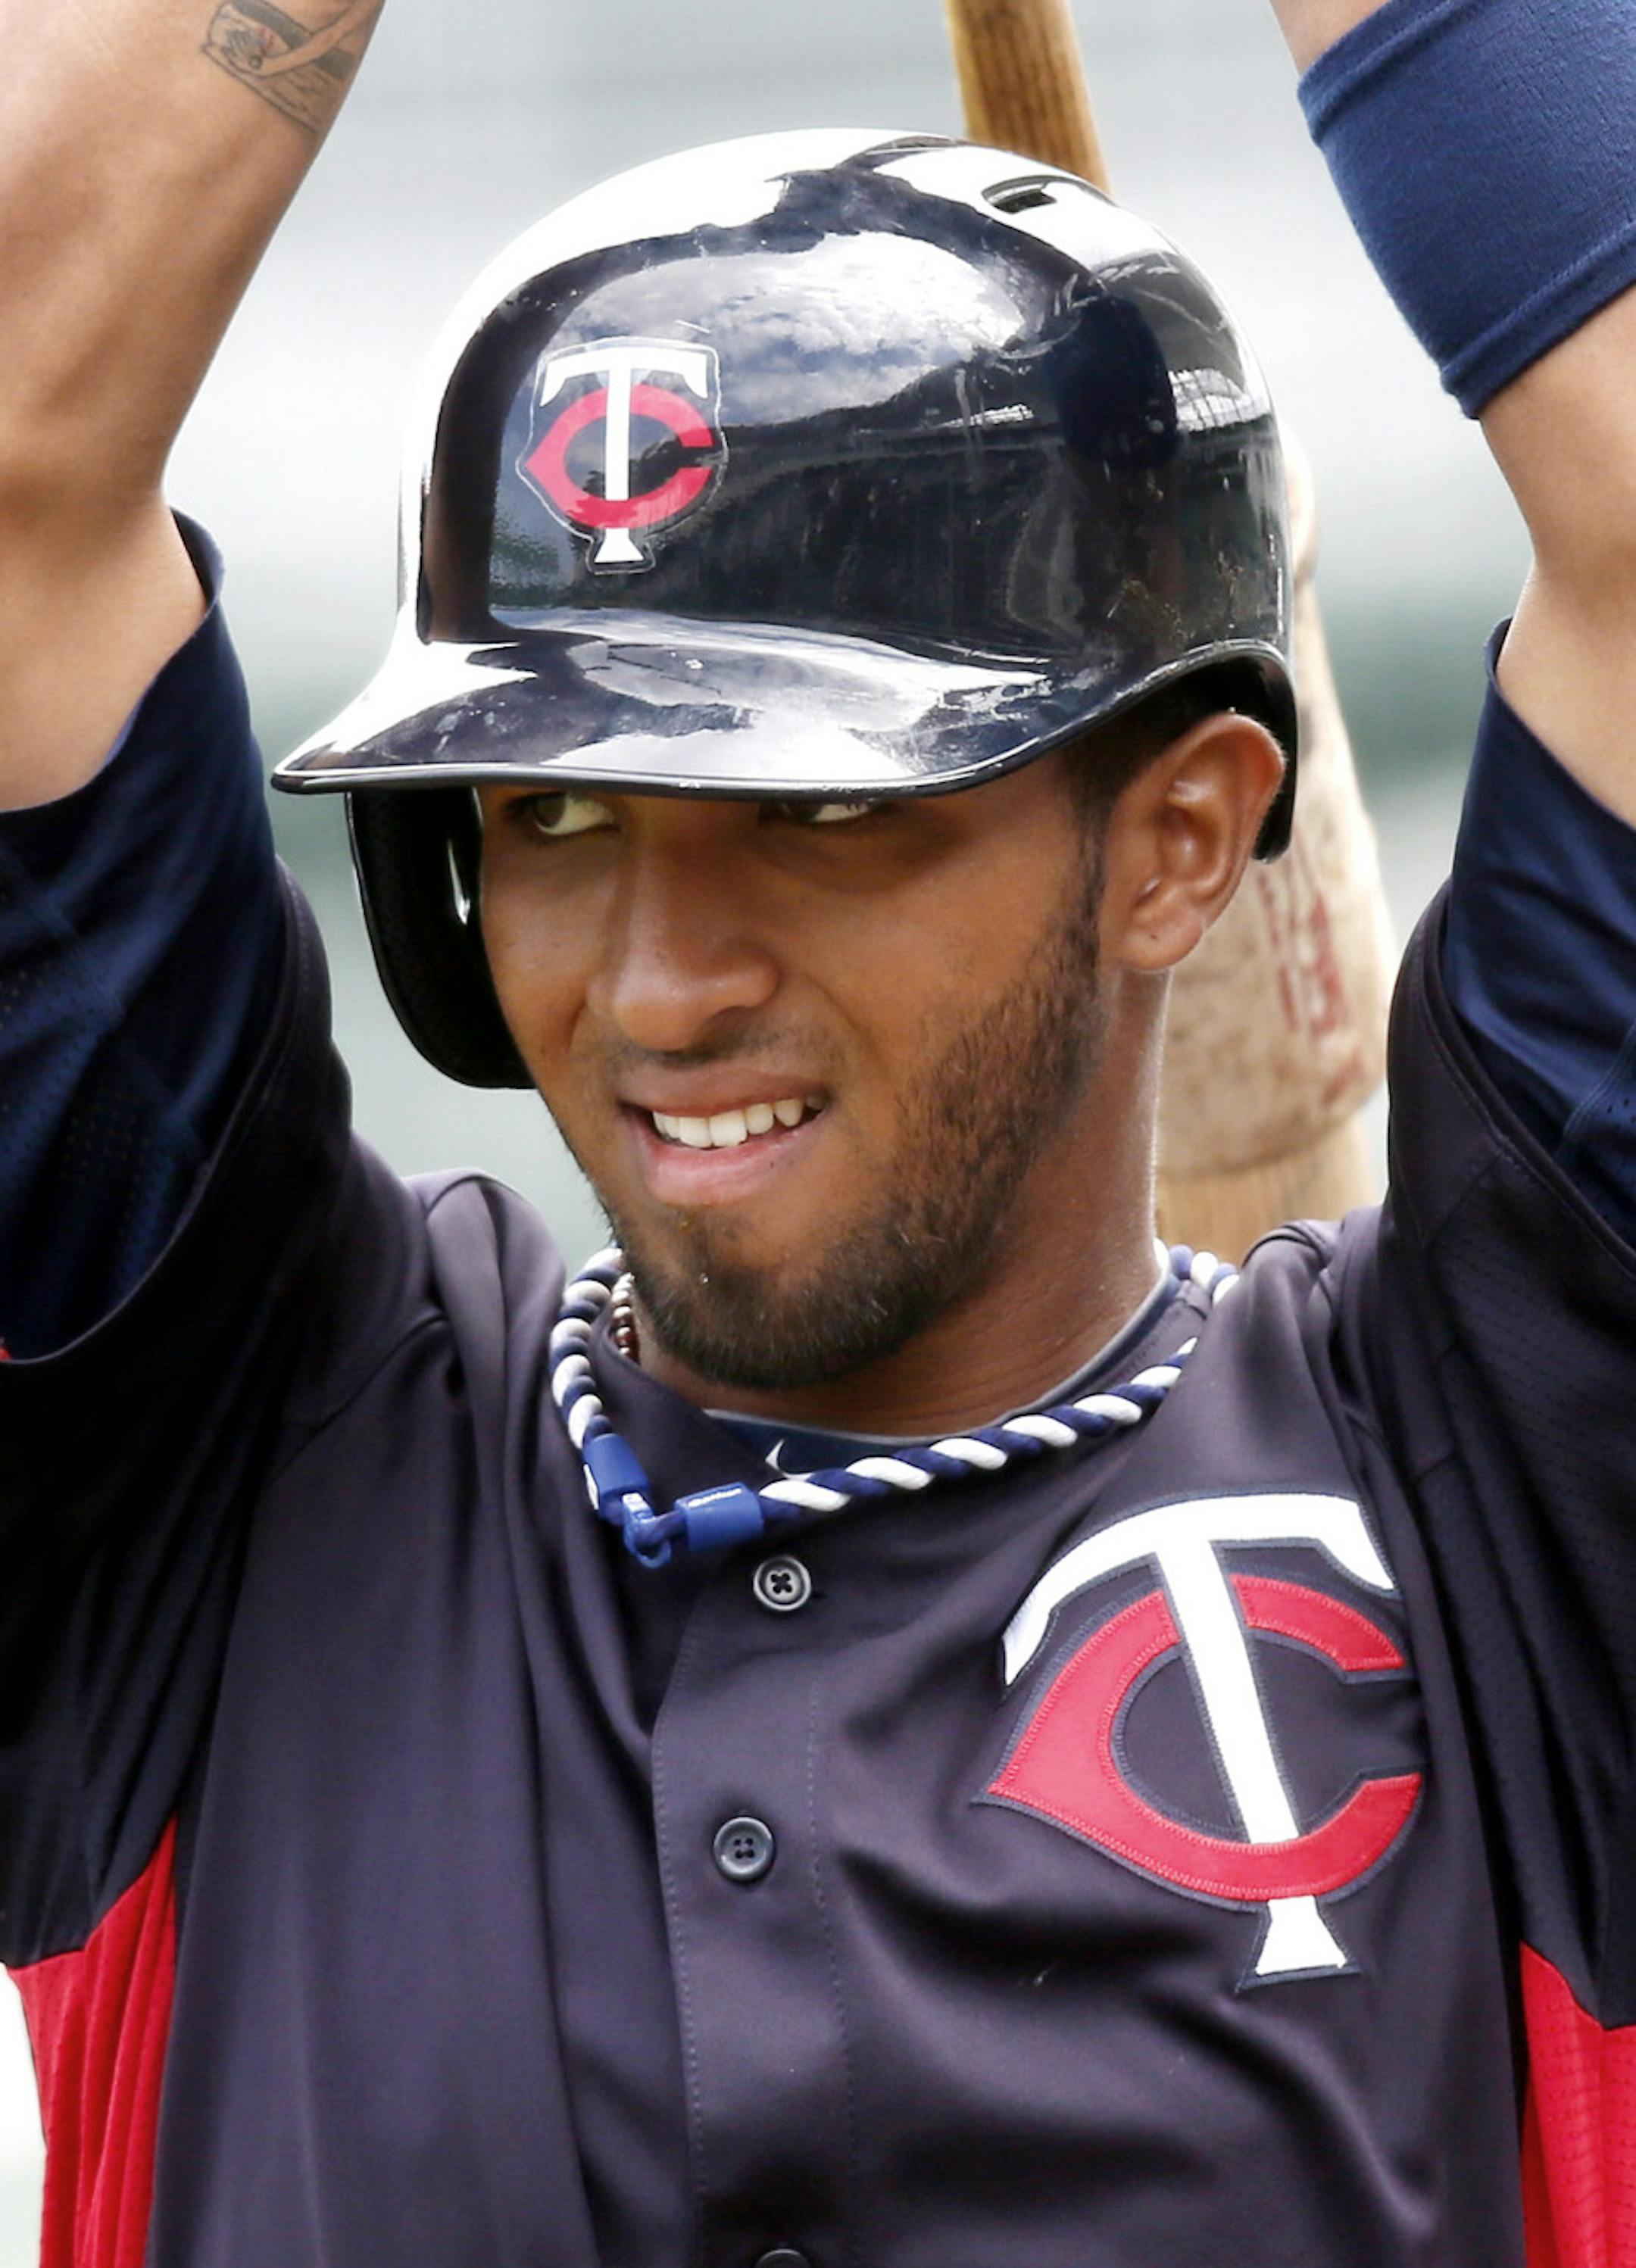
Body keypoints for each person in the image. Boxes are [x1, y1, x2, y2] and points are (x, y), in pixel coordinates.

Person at [2, 0, 1634, 2262]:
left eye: (818, 812)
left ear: (1179, 842)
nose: (659, 980)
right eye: (554, 810)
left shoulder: (1512, 1493)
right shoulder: (238, 1465)